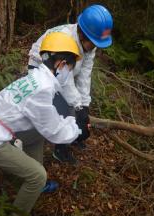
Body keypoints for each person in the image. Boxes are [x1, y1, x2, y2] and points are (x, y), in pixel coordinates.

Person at [0, 32, 90, 216]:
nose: (68, 75)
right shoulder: (42, 89)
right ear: (61, 64)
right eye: (70, 69)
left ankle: (33, 179)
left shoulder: (37, 78)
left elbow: (46, 121)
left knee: (37, 134)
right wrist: (78, 130)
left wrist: (72, 122)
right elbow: (55, 132)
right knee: (38, 176)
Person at [28, 4, 113, 164]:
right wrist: (78, 108)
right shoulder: (65, 41)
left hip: (63, 69)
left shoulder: (90, 43)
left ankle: (73, 135)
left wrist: (84, 105)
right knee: (62, 108)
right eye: (93, 43)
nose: (95, 47)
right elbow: (64, 82)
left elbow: (84, 74)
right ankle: (60, 149)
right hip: (42, 66)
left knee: (75, 108)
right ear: (83, 34)